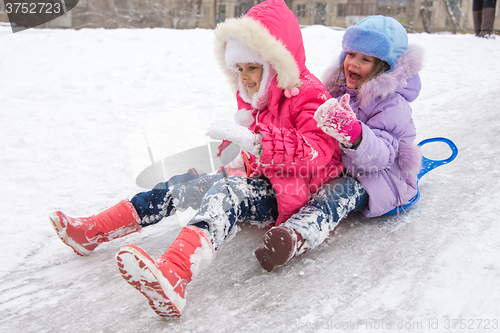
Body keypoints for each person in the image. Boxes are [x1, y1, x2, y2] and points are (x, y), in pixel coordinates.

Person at [49, 0, 343, 318]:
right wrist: (243, 158)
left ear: (275, 62)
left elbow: (317, 152)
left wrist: (257, 145)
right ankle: (94, 230)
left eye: (252, 67)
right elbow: (260, 152)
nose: (244, 78)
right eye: (239, 69)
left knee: (225, 194)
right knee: (186, 184)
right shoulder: (262, 96)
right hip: (261, 176)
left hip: (292, 194)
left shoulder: (310, 95)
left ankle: (175, 272)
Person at [254, 15, 424, 272]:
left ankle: (297, 235)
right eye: (350, 54)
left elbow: (380, 158)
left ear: (384, 67)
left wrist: (353, 133)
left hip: (380, 177)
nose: (353, 63)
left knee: (338, 193)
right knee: (295, 173)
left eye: (365, 59)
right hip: (340, 166)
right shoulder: (336, 90)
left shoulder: (392, 104)